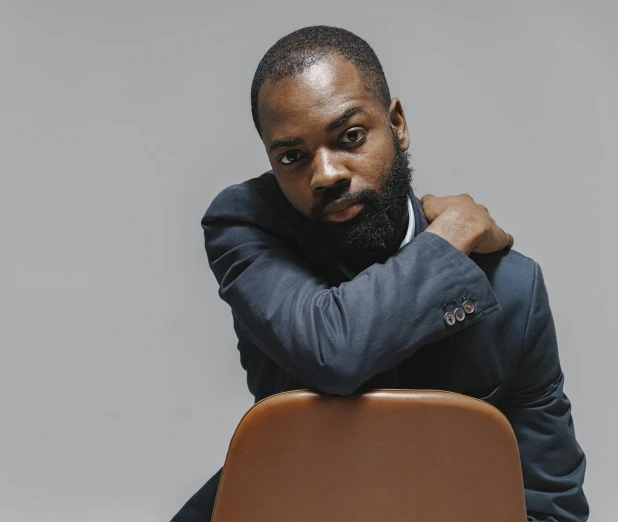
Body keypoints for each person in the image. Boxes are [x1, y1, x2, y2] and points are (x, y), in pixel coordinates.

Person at [172, 25, 588, 522]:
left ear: (397, 124)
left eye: (350, 137)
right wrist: (451, 236)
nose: (325, 173)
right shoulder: (247, 224)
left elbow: (551, 502)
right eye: (292, 157)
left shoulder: (513, 290)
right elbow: (334, 350)